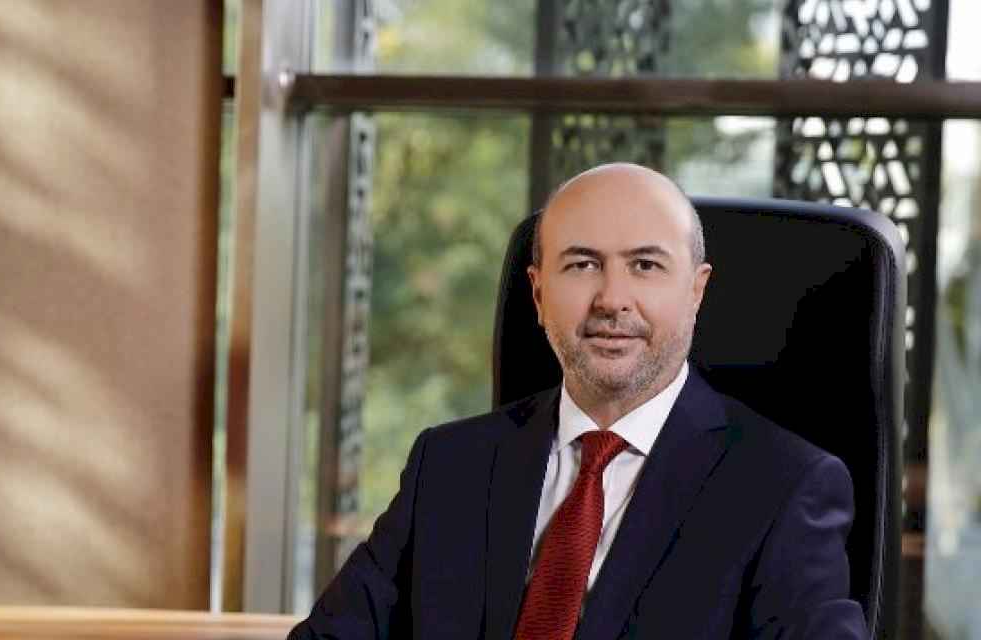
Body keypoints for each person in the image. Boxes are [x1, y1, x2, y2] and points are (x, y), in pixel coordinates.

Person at [287, 163, 869, 639]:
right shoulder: (447, 466)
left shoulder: (783, 487)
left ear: (696, 291)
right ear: (539, 293)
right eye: (583, 264)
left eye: (645, 265)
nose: (612, 299)